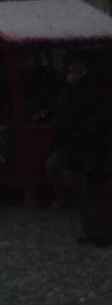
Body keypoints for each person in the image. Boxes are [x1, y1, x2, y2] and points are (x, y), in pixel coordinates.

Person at [52, 54, 111, 247]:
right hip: (73, 147)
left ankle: (104, 232)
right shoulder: (68, 88)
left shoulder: (94, 88)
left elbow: (99, 118)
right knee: (80, 193)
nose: (70, 68)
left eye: (73, 64)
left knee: (93, 191)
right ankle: (91, 231)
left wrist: (81, 133)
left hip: (91, 147)